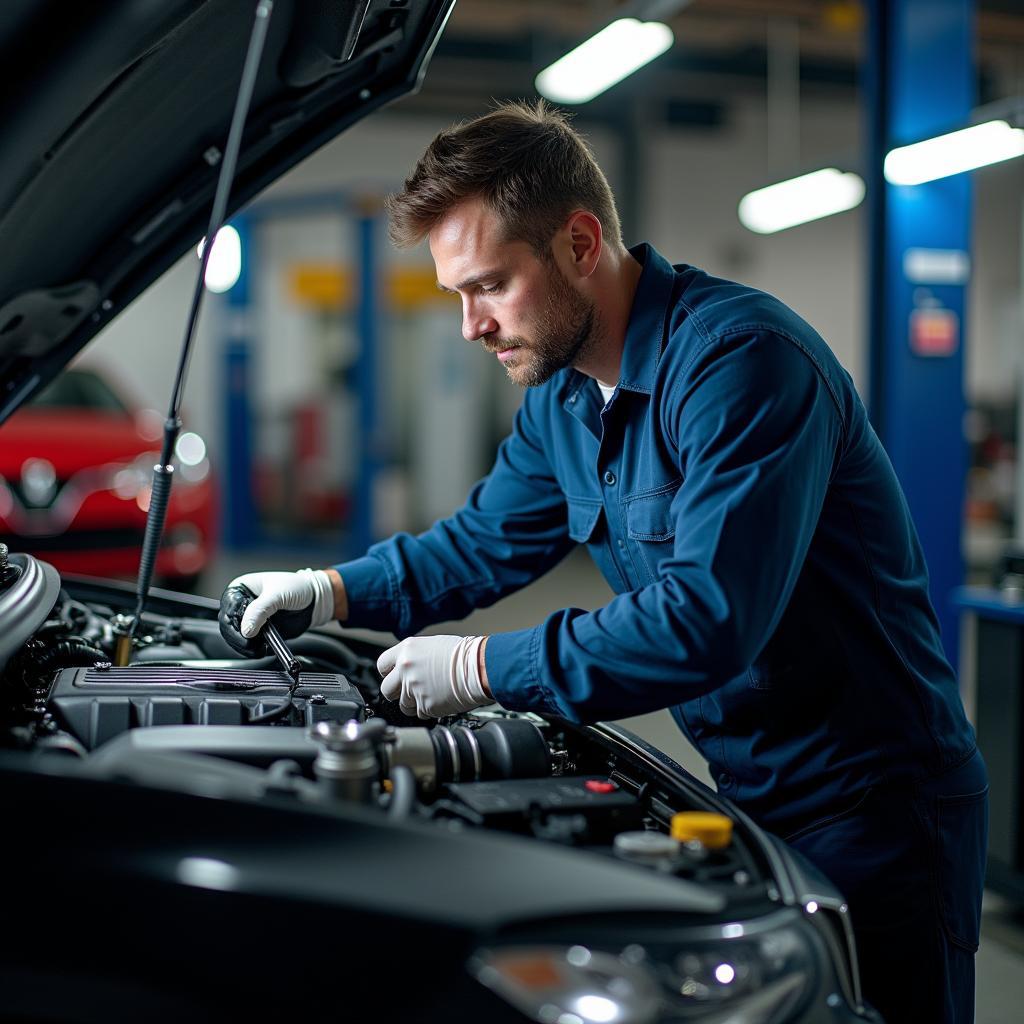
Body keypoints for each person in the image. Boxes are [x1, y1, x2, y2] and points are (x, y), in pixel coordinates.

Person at [220, 101, 986, 1023]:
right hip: (746, 790)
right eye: (458, 293)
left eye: (490, 286)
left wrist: (477, 667)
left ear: (580, 243)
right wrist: (328, 589)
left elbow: (706, 621)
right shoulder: (563, 398)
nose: (470, 325)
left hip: (879, 809)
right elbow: (481, 542)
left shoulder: (743, 364)